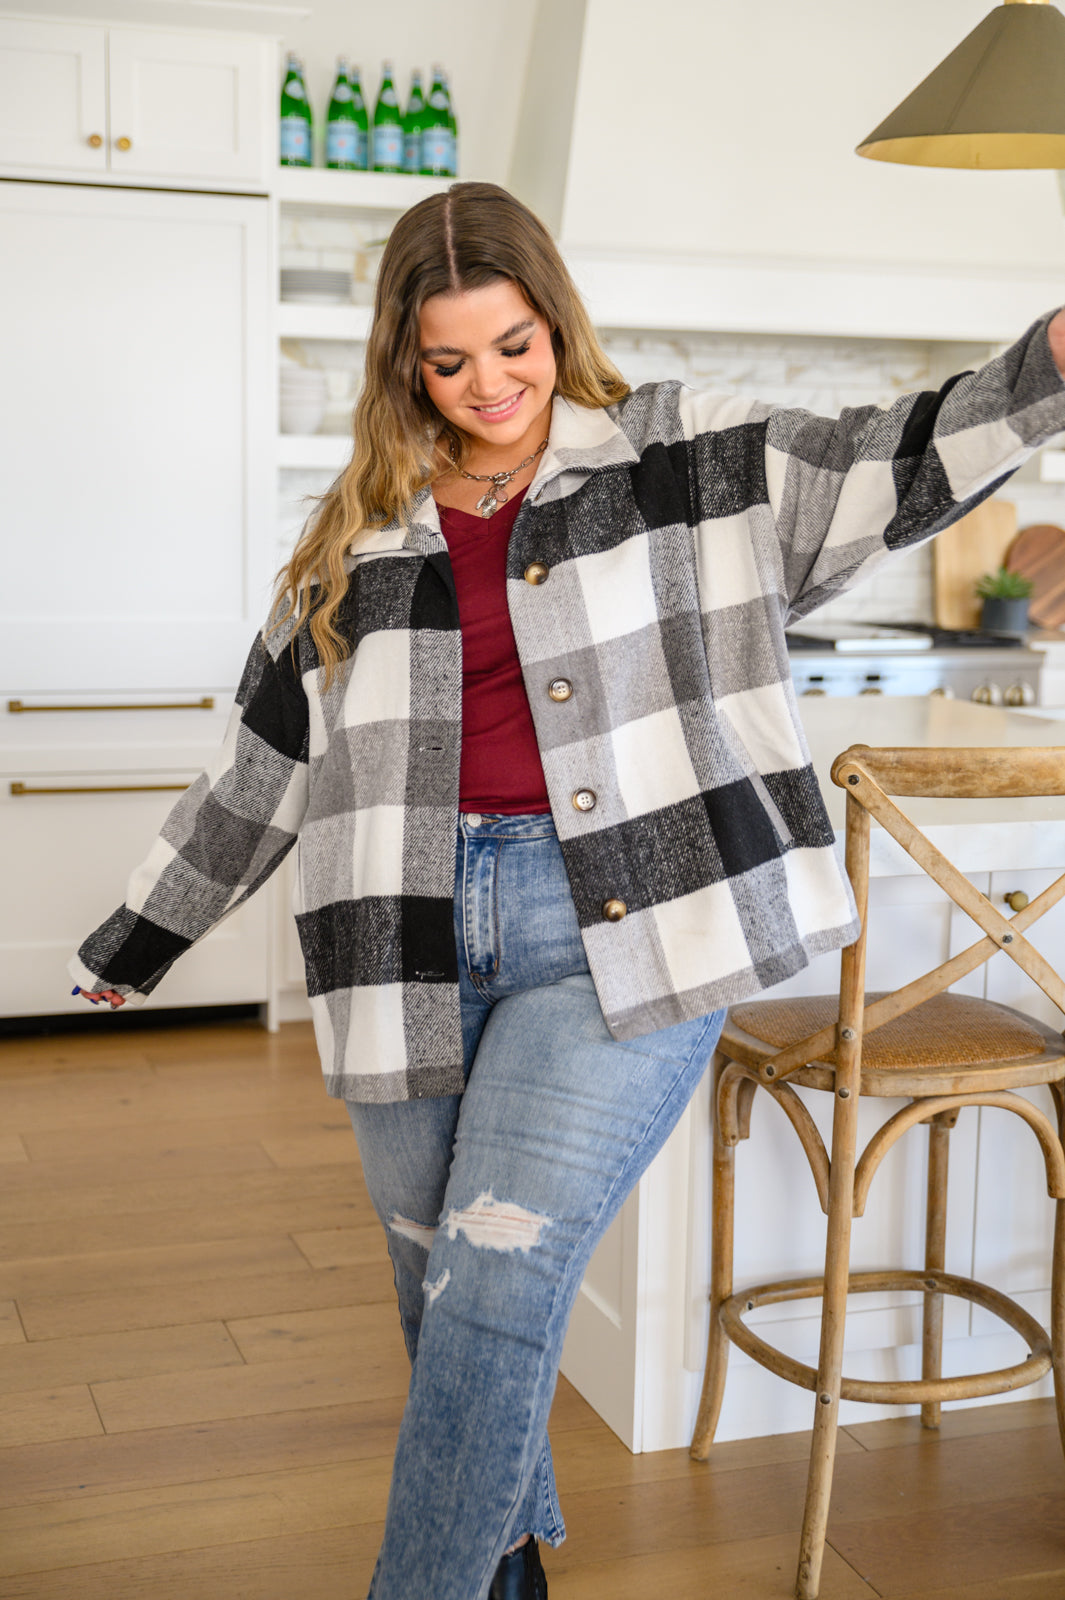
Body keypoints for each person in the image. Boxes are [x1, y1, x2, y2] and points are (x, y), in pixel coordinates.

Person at [70, 180, 1065, 1600]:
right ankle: (505, 1579)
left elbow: (887, 459)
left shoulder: (687, 462)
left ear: (556, 322)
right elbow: (263, 768)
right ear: (404, 364)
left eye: (515, 345)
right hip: (396, 936)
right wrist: (138, 938)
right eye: (450, 360)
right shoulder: (355, 531)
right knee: (445, 1296)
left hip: (624, 931)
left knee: (493, 1276)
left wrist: (1044, 365)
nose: (490, 386)